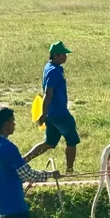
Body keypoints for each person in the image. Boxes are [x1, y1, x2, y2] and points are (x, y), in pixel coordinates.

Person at [25, 41, 80, 173]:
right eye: (63, 54)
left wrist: (46, 114)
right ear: (55, 55)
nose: (66, 56)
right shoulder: (54, 71)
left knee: (49, 143)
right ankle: (70, 169)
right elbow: (48, 94)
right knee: (72, 140)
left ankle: (23, 161)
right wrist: (43, 114)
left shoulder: (51, 67)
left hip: (52, 113)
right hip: (59, 114)